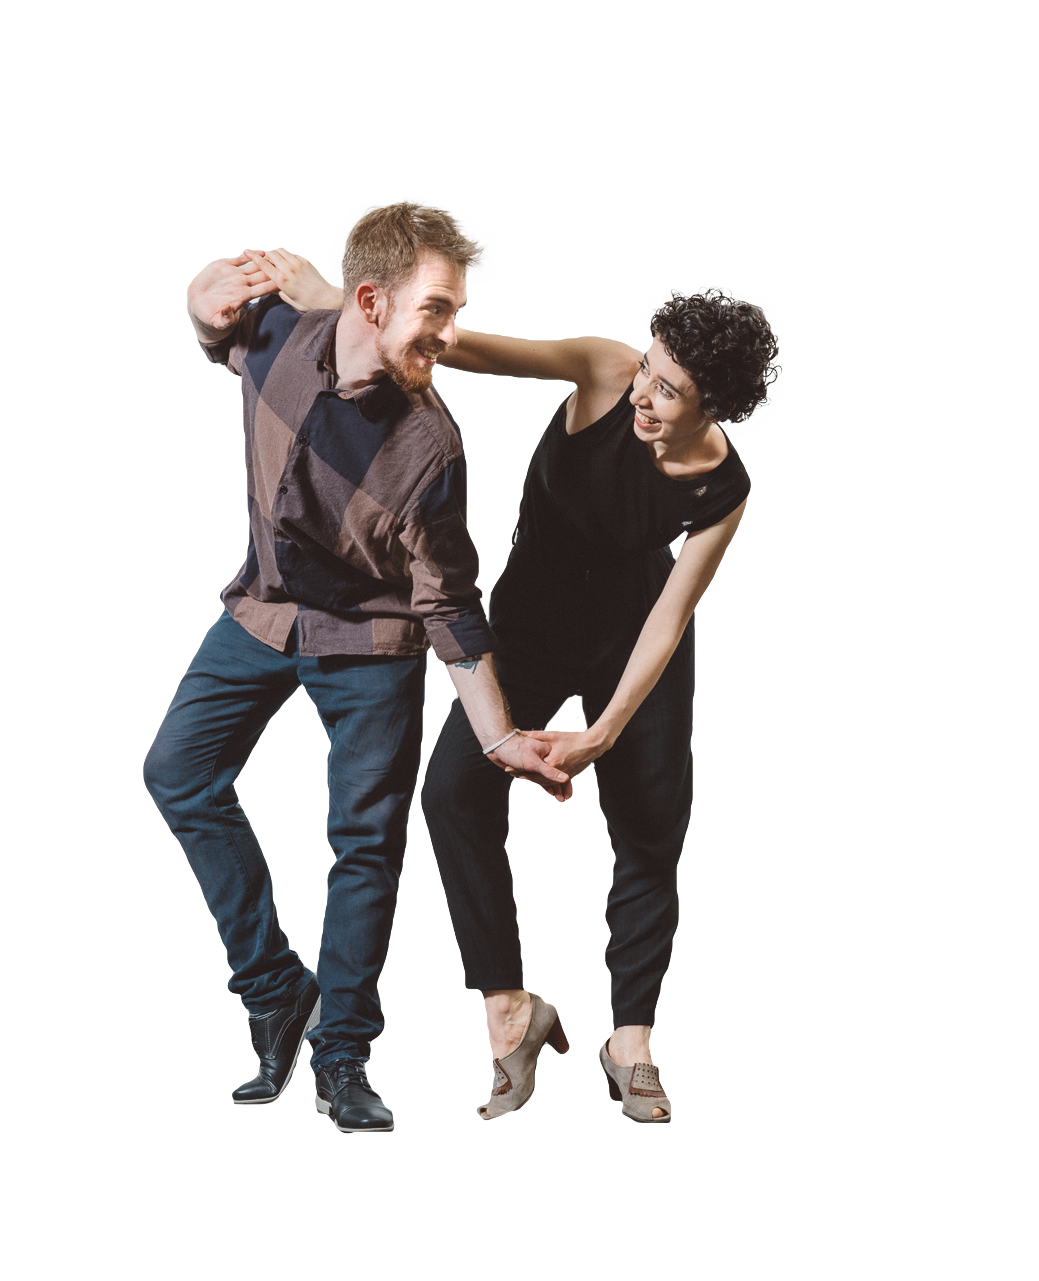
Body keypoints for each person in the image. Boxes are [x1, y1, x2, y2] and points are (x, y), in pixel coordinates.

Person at [245, 247, 780, 1123]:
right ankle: (511, 1007)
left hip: (634, 632)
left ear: (713, 403)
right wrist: (347, 304)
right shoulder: (604, 369)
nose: (643, 393)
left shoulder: (728, 486)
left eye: (670, 389)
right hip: (531, 619)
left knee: (649, 828)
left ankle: (630, 1038)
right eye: (649, 368)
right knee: (453, 793)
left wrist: (603, 731)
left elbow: (670, 613)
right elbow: (457, 346)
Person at [141, 204, 571, 1135]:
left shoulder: (430, 448)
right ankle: (274, 991)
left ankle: (342, 1051)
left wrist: (499, 735)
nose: (449, 335)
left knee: (366, 843)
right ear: (370, 301)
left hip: (373, 638)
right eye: (437, 310)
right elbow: (217, 333)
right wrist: (197, 309)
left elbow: (451, 605)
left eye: (454, 311)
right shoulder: (275, 337)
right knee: (177, 771)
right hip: (265, 609)